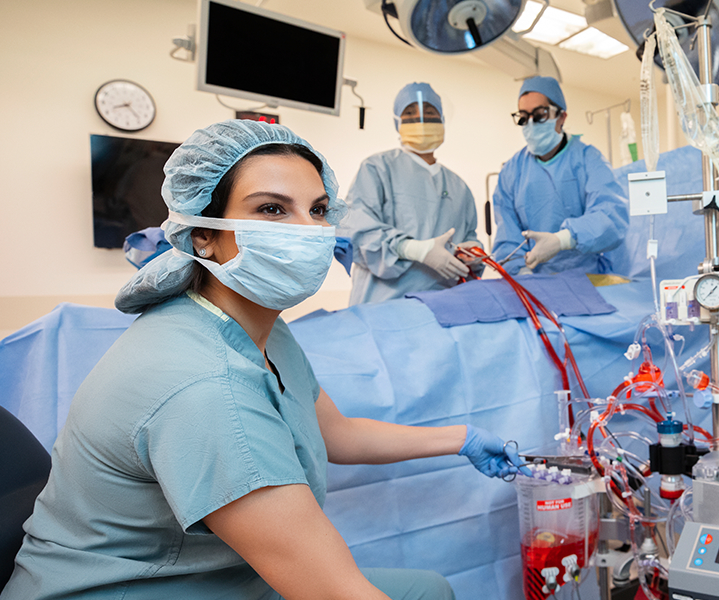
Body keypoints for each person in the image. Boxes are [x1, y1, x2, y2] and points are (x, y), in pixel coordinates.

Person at [0, 120, 522, 600]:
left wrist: (461, 437)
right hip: (131, 587)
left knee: (426, 589)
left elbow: (335, 435)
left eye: (318, 210)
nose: (309, 231)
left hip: (212, 572)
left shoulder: (254, 327)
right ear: (202, 234)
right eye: (272, 209)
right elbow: (335, 593)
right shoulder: (202, 384)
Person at [340, 82, 482, 304]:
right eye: (410, 113)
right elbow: (352, 229)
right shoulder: (377, 169)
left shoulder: (459, 187)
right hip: (383, 308)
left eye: (429, 112)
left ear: (443, 120)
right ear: (397, 122)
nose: (421, 119)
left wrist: (474, 253)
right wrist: (411, 248)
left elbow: (469, 236)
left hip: (445, 307)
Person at [491, 76, 629, 276]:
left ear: (562, 117)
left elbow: (610, 217)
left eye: (539, 115)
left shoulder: (588, 159)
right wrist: (521, 273)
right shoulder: (511, 171)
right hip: (533, 282)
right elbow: (508, 236)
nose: (530, 124)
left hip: (587, 279)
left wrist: (562, 240)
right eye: (523, 116)